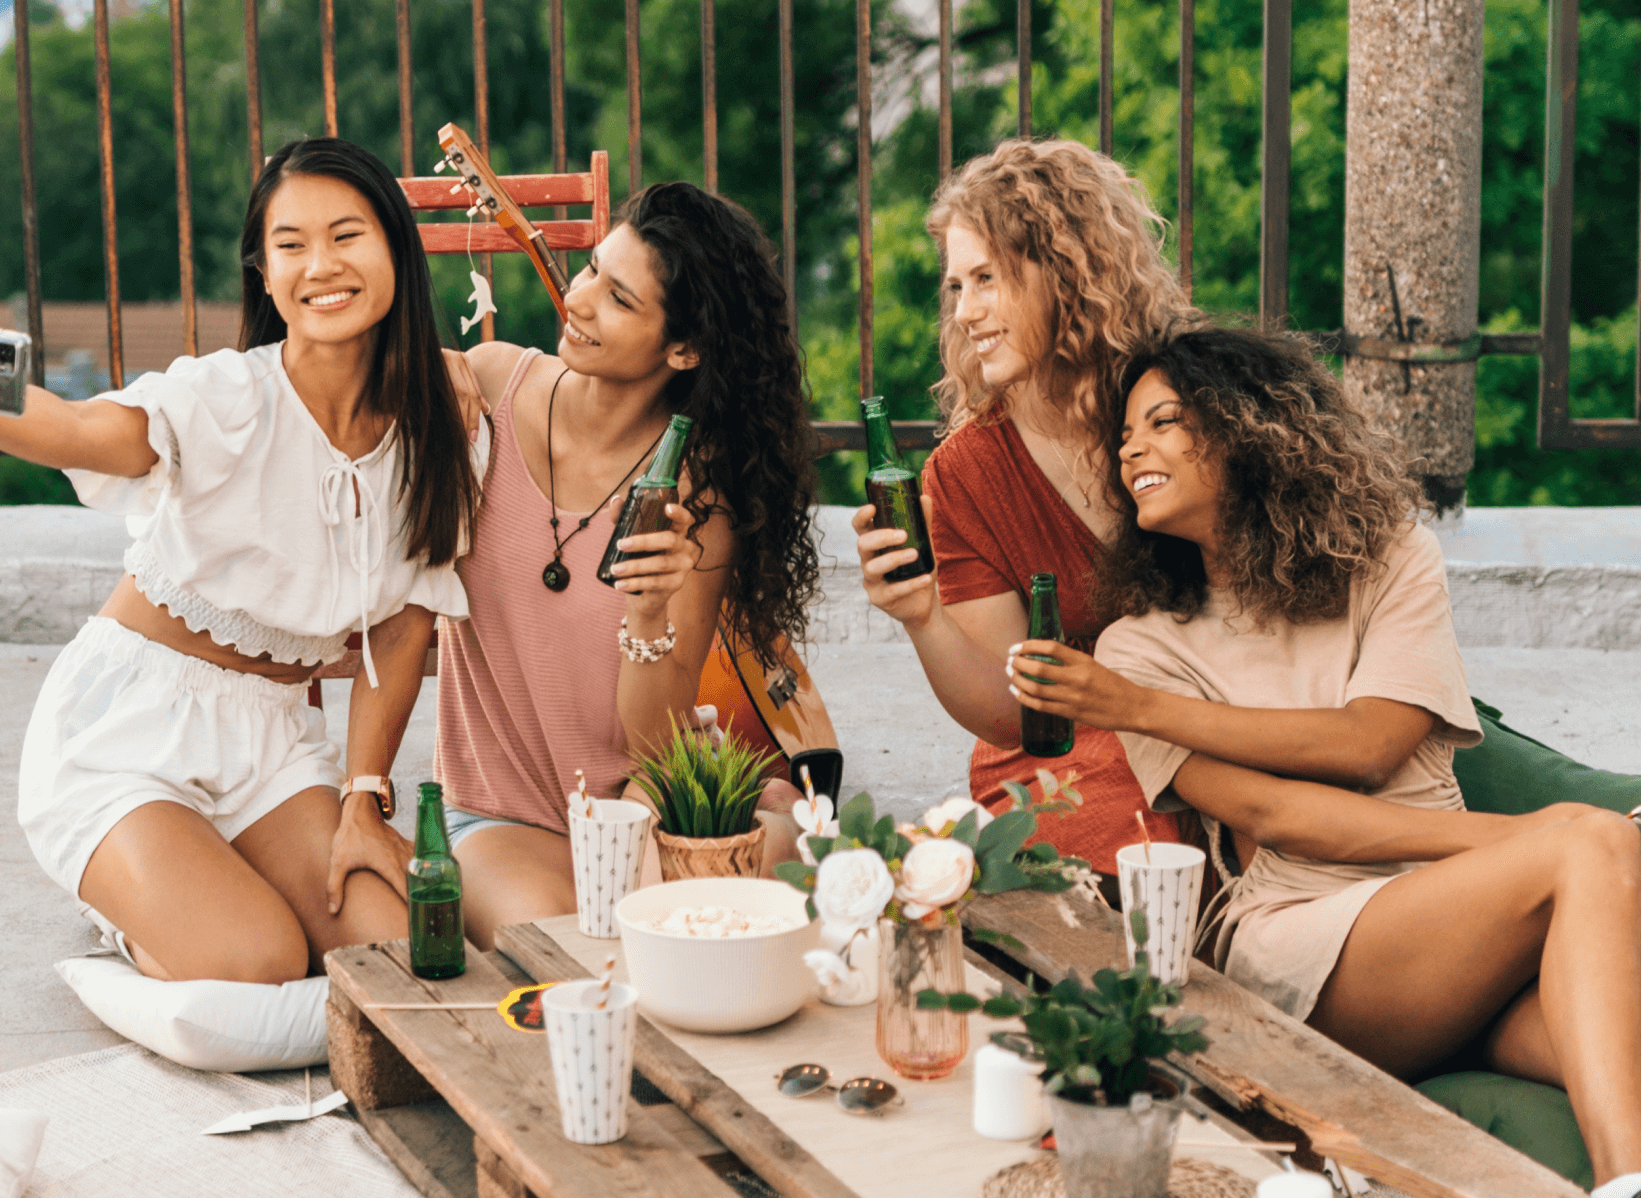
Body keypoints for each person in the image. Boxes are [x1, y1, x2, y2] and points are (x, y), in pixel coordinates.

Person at [1008, 326, 1641, 1197]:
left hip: (1461, 942)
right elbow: (1277, 817)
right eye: (1124, 437)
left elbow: (1371, 742)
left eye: (1161, 422)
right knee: (1592, 848)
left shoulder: (1391, 562)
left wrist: (1139, 715)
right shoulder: (1134, 652)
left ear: (1244, 426)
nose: (1132, 451)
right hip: (1310, 944)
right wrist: (1540, 838)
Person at [0, 137, 485, 984]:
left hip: (273, 745)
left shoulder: (437, 433)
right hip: (128, 731)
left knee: (387, 954)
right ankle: (127, 909)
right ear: (265, 273)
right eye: (291, 245)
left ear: (395, 246)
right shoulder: (227, 396)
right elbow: (83, 432)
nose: (322, 265)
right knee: (259, 959)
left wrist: (361, 797)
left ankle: (192, 879)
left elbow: (400, 627)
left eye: (347, 236)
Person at [438, 182, 821, 949]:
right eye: (588, 272)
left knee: (673, 944)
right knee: (566, 951)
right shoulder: (484, 385)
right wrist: (423, 366)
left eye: (617, 298)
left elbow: (653, 744)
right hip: (502, 810)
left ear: (682, 349)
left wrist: (649, 612)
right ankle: (776, 831)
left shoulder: (696, 490)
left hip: (639, 800)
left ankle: (770, 830)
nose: (577, 301)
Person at [853, 138, 1197, 877]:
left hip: (1212, 719)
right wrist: (922, 617)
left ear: (1067, 273)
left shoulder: (1183, 401)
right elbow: (1011, 713)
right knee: (1146, 856)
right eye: (957, 286)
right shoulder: (967, 472)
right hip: (1067, 749)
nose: (967, 312)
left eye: (988, 280)